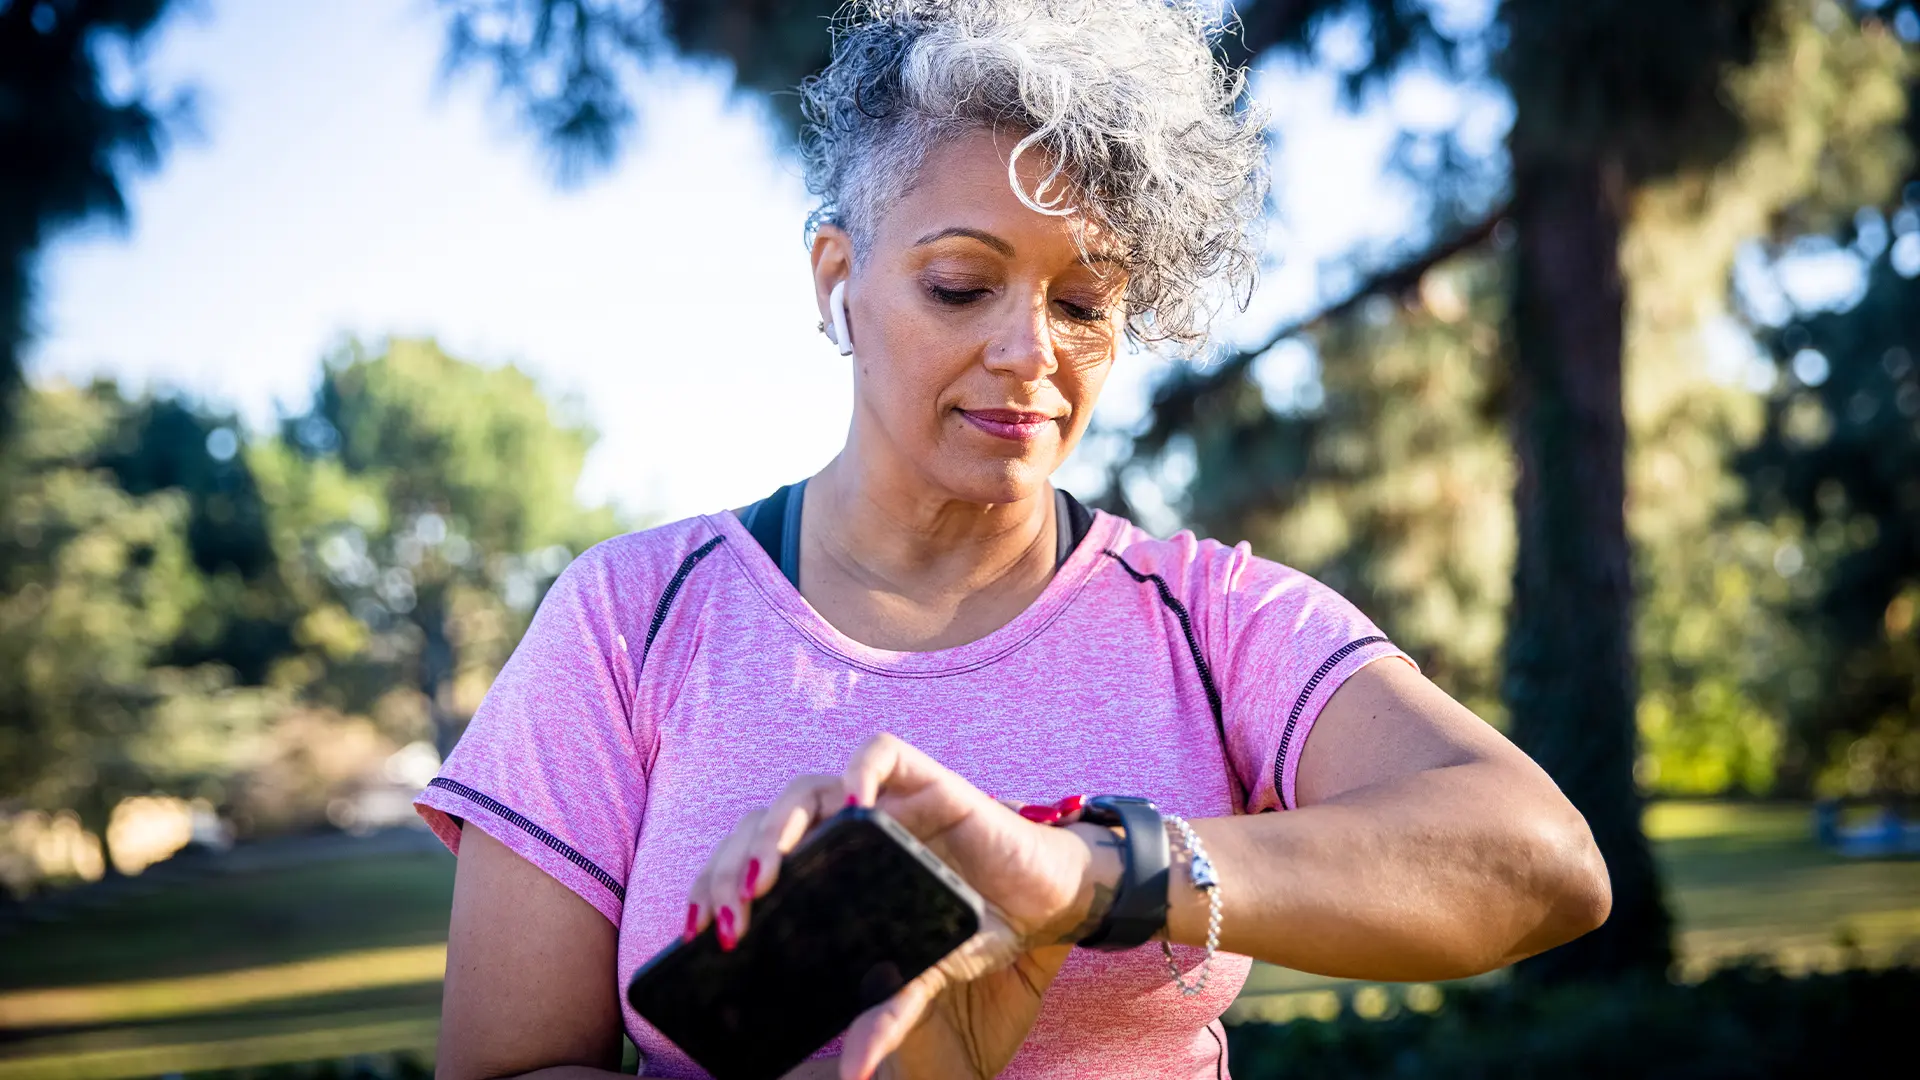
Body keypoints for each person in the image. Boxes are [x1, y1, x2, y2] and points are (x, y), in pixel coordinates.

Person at [417, 2, 1611, 1078]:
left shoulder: (1214, 620)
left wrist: (1087, 876)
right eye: (958, 285)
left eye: (1084, 303)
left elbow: (1544, 863)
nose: (1029, 351)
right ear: (838, 277)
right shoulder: (632, 619)